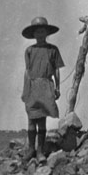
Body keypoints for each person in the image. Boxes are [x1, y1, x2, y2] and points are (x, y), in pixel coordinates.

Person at [21, 16, 65, 161]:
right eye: (37, 32)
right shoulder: (29, 50)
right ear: (33, 34)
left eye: (42, 31)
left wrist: (57, 87)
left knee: (42, 119)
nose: (40, 34)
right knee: (31, 118)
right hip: (33, 86)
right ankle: (31, 150)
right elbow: (27, 71)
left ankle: (40, 150)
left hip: (46, 85)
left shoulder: (53, 50)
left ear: (46, 33)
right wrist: (25, 90)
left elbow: (57, 70)